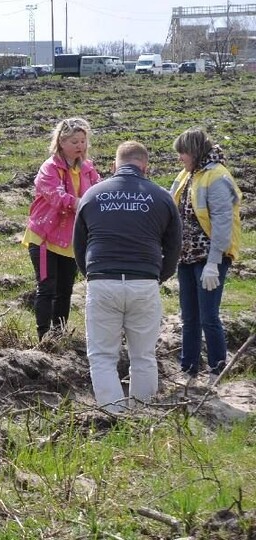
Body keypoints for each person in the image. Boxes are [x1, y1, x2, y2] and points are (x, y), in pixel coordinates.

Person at [73, 141, 181, 413]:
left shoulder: (93, 195)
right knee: (144, 356)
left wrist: (93, 275)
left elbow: (79, 245)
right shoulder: (161, 196)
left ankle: (112, 415)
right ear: (145, 167)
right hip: (144, 281)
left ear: (114, 166)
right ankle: (142, 415)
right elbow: (174, 247)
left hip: (103, 281)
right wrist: (157, 276)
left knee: (102, 356)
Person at [169, 128, 243, 377]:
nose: (180, 158)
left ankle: (217, 369)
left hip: (210, 257)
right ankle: (188, 368)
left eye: (182, 153)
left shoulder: (217, 177)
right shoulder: (187, 174)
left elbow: (223, 223)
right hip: (186, 256)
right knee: (189, 316)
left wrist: (214, 263)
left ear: (195, 151)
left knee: (208, 316)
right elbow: (172, 207)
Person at [22, 117, 102, 340]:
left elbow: (99, 190)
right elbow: (57, 197)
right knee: (47, 287)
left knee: (65, 290)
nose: (80, 146)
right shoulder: (49, 168)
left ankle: (59, 335)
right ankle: (43, 337)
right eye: (75, 141)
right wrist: (84, 204)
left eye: (83, 141)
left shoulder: (88, 168)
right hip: (45, 237)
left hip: (71, 238)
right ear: (61, 142)